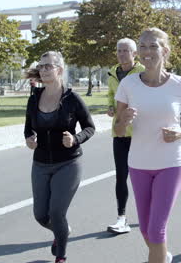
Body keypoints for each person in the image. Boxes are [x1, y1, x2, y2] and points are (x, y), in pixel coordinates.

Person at [114, 28, 181, 263]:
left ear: (165, 50)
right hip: (139, 163)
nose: (146, 51)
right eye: (142, 46)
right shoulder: (128, 84)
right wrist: (123, 120)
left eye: (153, 46)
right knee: (145, 230)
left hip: (170, 163)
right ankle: (163, 256)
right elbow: (118, 130)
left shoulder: (180, 85)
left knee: (156, 230)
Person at [24, 51, 95, 263]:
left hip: (68, 162)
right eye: (41, 66)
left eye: (48, 66)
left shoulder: (72, 99)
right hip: (41, 163)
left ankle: (61, 256)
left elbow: (90, 127)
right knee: (40, 215)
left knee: (56, 212)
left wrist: (75, 138)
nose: (44, 70)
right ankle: (63, 231)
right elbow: (28, 127)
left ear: (59, 70)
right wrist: (29, 139)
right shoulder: (34, 97)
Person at [106, 38, 145, 234]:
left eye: (125, 51)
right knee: (121, 176)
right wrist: (111, 107)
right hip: (120, 132)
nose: (121, 54)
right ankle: (121, 217)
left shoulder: (142, 73)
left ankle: (150, 212)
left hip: (140, 132)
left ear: (134, 53)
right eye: (119, 50)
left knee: (145, 176)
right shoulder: (112, 73)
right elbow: (111, 95)